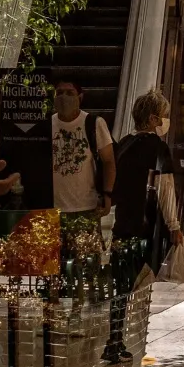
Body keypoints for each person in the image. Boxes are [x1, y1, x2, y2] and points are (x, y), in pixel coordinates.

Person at [102, 89, 180, 364]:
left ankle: (114, 339)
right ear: (152, 118)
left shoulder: (123, 143)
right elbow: (165, 188)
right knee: (140, 281)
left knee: (119, 285)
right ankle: (124, 339)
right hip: (147, 225)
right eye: (165, 116)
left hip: (123, 222)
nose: (166, 121)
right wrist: (174, 225)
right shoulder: (157, 148)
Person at [48, 78, 115, 267]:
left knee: (87, 266)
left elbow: (109, 161)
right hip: (53, 209)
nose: (63, 97)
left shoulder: (93, 123)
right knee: (55, 269)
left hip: (85, 208)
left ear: (80, 97)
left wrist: (107, 195)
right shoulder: (46, 125)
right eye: (59, 92)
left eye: (69, 93)